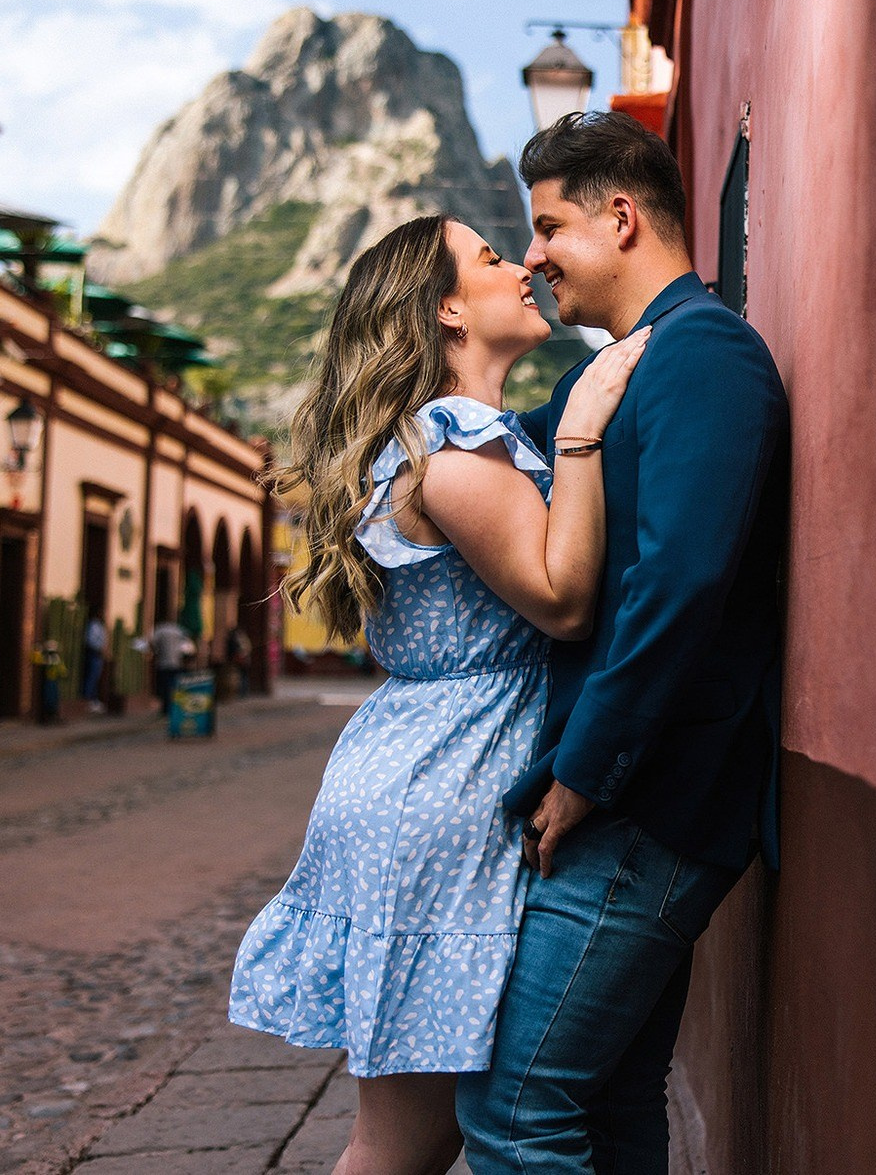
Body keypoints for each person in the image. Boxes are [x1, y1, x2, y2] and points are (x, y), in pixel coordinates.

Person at [228, 213, 649, 1175]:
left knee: (420, 1136)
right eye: (494, 259)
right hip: (444, 789)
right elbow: (562, 600)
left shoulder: (458, 443)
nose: (522, 267)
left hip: (425, 776)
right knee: (403, 1146)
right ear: (449, 310)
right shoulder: (450, 450)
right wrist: (581, 428)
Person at [456, 112, 789, 1174]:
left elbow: (679, 584)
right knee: (602, 1103)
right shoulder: (611, 376)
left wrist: (583, 776)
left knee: (515, 1112)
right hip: (624, 796)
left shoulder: (707, 355)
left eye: (548, 225)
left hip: (646, 801)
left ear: (621, 212)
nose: (536, 254)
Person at [148, 615, 194, 712]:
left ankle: (166, 707)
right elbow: (188, 647)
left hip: (163, 663)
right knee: (176, 685)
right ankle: (175, 707)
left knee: (165, 686)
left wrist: (156, 653)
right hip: (177, 663)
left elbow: (152, 643)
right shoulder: (179, 630)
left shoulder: (159, 630)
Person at [82, 612, 109, 714]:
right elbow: (91, 640)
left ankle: (93, 700)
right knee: (91, 677)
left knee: (95, 677)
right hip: (94, 654)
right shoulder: (94, 625)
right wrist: (98, 649)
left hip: (98, 655)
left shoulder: (99, 626)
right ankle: (87, 700)